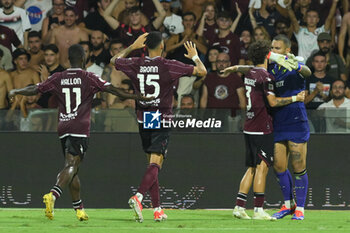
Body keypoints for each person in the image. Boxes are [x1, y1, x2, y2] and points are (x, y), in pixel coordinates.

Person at [8, 43, 152, 221]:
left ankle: (79, 209)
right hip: (79, 128)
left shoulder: (58, 77)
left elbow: (35, 88)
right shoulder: (89, 77)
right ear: (83, 59)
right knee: (71, 166)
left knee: (72, 168)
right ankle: (53, 194)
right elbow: (112, 89)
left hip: (63, 127)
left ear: (68, 59)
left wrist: (16, 90)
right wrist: (135, 97)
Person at [111, 31, 207, 222]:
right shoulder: (168, 65)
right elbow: (202, 72)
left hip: (144, 116)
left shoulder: (135, 63)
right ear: (162, 45)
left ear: (144, 46)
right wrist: (195, 56)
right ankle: (138, 197)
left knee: (153, 164)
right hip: (160, 115)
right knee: (156, 162)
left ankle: (157, 209)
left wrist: (132, 46)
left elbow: (114, 60)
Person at [222, 40, 305, 221]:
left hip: (249, 126)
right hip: (262, 127)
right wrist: (295, 97)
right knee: (262, 168)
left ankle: (239, 206)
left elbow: (247, 69)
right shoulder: (266, 77)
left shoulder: (251, 73)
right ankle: (258, 209)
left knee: (251, 168)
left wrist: (235, 67)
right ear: (268, 55)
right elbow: (273, 102)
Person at [268, 34, 312, 220]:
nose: (273, 51)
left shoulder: (295, 66)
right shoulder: (270, 69)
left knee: (298, 165)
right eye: (272, 47)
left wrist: (299, 66)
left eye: (277, 48)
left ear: (287, 50)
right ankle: (288, 205)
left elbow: (308, 72)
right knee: (278, 166)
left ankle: (300, 208)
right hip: (278, 120)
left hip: (295, 118)